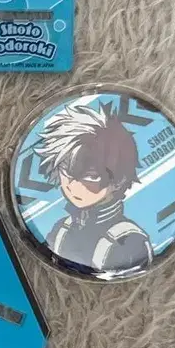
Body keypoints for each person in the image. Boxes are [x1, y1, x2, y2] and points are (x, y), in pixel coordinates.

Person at [33, 103, 153, 277]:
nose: (72, 186)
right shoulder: (60, 230)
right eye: (66, 173)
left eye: (90, 177)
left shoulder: (130, 242)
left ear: (119, 181)